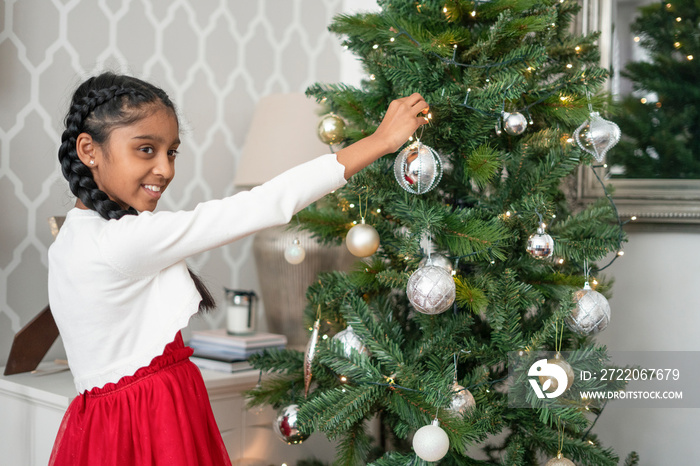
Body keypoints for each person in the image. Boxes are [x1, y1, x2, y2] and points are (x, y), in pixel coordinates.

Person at [47, 72, 428, 466]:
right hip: (151, 420)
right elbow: (264, 204)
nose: (165, 169)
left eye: (172, 152)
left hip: (105, 424)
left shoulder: (72, 239)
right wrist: (380, 142)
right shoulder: (123, 241)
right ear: (88, 149)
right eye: (146, 149)